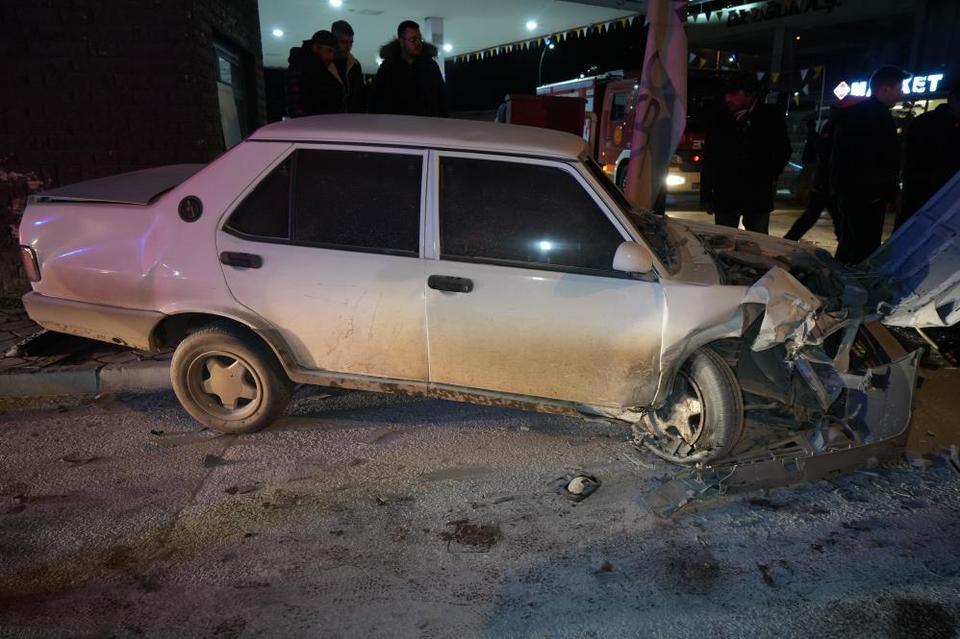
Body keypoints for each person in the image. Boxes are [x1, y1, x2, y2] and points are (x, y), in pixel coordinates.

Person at [829, 66, 907, 264]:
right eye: (900, 88)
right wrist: (886, 191)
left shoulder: (855, 114)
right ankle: (853, 289)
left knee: (849, 244)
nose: (902, 93)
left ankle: (837, 285)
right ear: (885, 90)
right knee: (865, 248)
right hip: (868, 194)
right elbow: (880, 159)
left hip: (850, 191)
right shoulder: (876, 117)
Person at [700, 76, 792, 234]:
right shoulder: (720, 117)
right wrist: (706, 195)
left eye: (734, 93)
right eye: (727, 94)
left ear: (749, 95)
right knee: (724, 241)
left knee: (758, 241)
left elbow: (783, 151)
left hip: (757, 192)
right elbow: (710, 158)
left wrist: (768, 174)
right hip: (726, 193)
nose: (729, 99)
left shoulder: (770, 115)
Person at [897, 82, 960, 229]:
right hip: (928, 197)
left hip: (924, 196)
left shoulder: (926, 121)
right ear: (953, 100)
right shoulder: (933, 125)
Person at [372, 20, 448, 117]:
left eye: (420, 39)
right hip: (396, 126)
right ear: (401, 41)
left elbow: (442, 99)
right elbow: (377, 100)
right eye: (413, 39)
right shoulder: (388, 68)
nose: (418, 43)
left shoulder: (430, 66)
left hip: (427, 126)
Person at [784, 118, 840, 241]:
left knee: (811, 215)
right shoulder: (838, 127)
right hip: (830, 182)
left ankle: (789, 240)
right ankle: (845, 251)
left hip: (825, 181)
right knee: (837, 219)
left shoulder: (830, 127)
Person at [331, 20, 367, 113]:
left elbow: (359, 97)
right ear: (334, 41)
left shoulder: (355, 65)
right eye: (344, 42)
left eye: (351, 43)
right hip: (330, 120)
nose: (348, 46)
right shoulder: (324, 64)